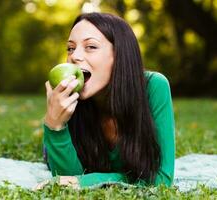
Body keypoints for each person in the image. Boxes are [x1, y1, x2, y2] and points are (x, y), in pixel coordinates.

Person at [42, 12, 175, 189]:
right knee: (48, 153)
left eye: (90, 47)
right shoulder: (72, 100)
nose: (74, 56)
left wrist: (87, 181)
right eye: (70, 48)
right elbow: (68, 180)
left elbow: (162, 179)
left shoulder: (154, 87)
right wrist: (55, 126)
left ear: (120, 55)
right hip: (58, 147)